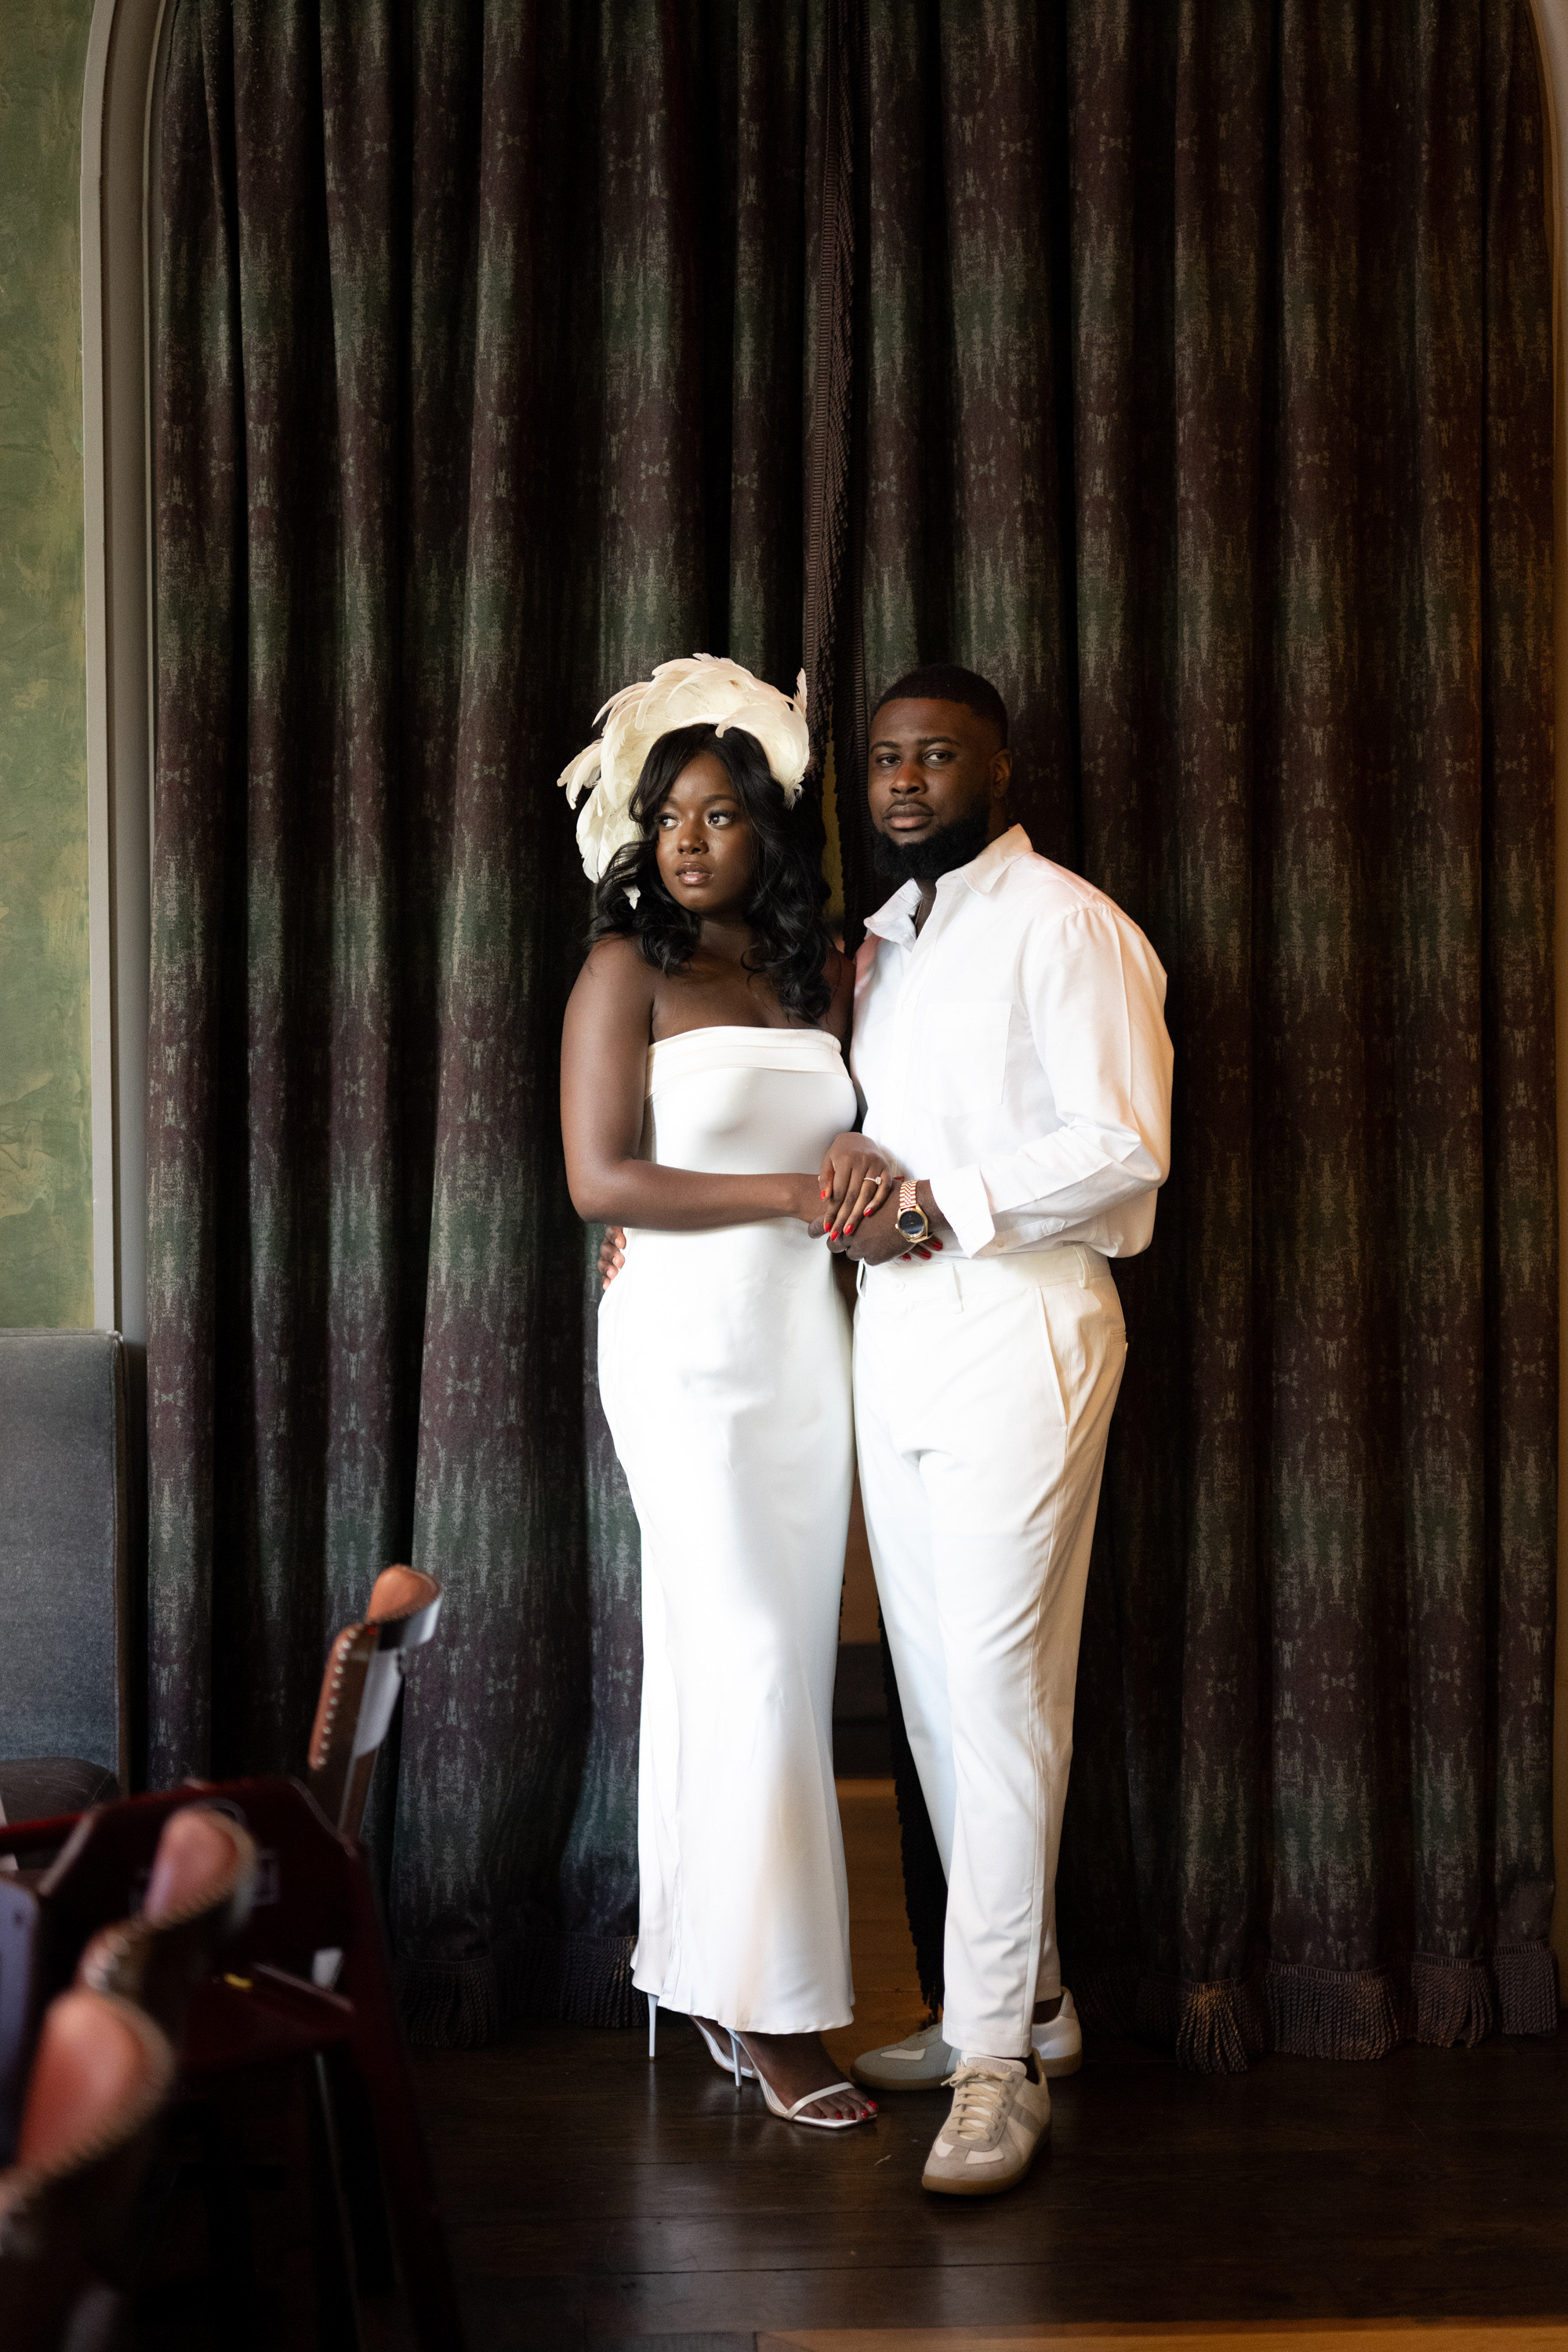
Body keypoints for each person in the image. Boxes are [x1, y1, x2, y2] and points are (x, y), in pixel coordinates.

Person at [826, 663, 1174, 2196]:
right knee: (937, 1708)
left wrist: (938, 1204)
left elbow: (1122, 1148)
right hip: (896, 1348)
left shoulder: (1068, 924)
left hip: (1023, 1325)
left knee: (999, 1699)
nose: (904, 783)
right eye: (886, 759)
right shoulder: (889, 946)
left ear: (1000, 767)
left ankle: (990, 2068)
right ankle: (1023, 2000)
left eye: (936, 756)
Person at [558, 657, 885, 2131]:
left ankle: (699, 1973)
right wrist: (791, 1193)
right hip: (684, 1349)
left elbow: (876, 1146)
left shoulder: (820, 977)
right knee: (748, 1653)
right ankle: (778, 2019)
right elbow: (600, 1180)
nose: (689, 840)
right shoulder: (625, 971)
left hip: (801, 1353)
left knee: (750, 1668)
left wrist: (844, 1195)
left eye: (719, 815)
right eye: (668, 817)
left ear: (768, 830)